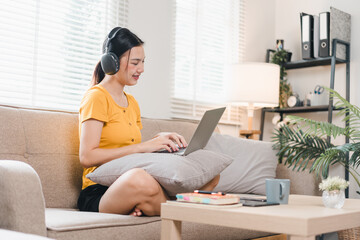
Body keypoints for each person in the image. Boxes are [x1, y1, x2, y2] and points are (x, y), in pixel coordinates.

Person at [77, 27, 220, 217]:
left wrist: (158, 141)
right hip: (99, 191)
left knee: (211, 174)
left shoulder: (132, 103)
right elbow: (87, 157)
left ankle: (152, 204)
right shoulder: (96, 97)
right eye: (135, 62)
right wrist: (144, 147)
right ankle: (180, 209)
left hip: (127, 179)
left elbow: (130, 149)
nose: (141, 69)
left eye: (142, 62)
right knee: (140, 179)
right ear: (112, 62)